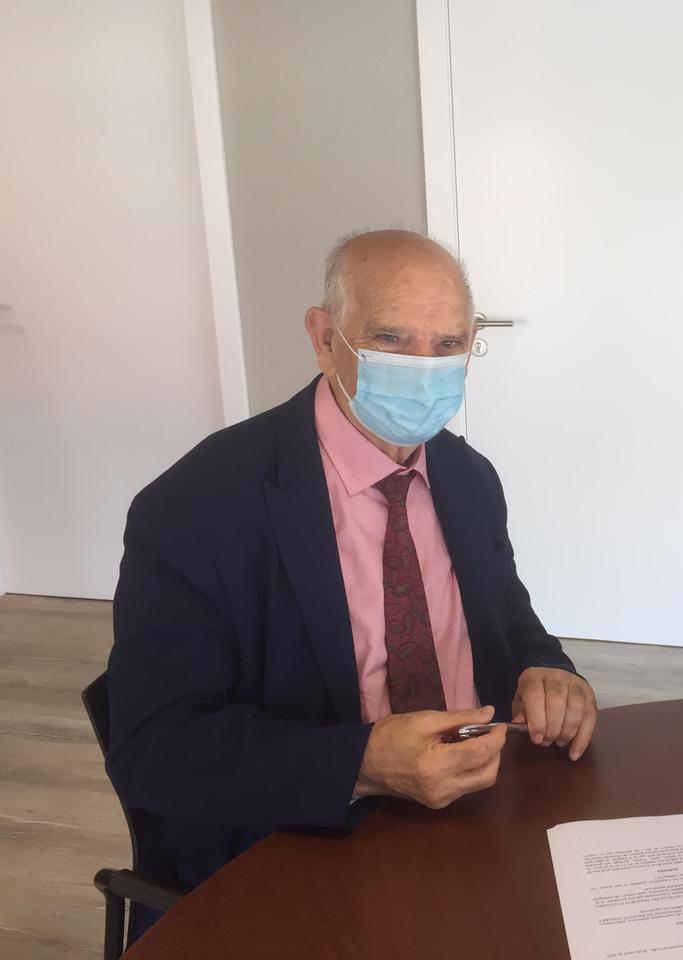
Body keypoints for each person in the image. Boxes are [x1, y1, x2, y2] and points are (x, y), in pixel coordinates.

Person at [107, 229, 597, 936]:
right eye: (392, 340)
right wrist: (362, 764)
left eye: (449, 344)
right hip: (301, 844)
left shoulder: (468, 478)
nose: (424, 369)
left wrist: (547, 670)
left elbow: (510, 619)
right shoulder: (196, 506)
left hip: (477, 816)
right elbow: (156, 749)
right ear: (323, 338)